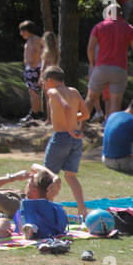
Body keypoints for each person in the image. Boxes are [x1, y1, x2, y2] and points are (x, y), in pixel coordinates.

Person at [86, 3, 133, 118]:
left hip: (101, 67)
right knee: (115, 103)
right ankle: (111, 131)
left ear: (109, 13)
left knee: (90, 98)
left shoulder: (99, 26)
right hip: (120, 69)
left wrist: (93, 64)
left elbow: (90, 48)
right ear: (122, 14)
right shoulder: (129, 28)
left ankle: (79, 128)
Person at [41, 66, 89, 218]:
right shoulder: (74, 91)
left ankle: (45, 209)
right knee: (71, 176)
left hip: (61, 137)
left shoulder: (53, 91)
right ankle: (82, 209)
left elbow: (66, 108)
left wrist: (68, 128)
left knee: (46, 175)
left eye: (44, 82)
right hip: (76, 141)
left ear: (50, 80)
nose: (44, 85)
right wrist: (74, 124)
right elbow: (86, 114)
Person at [0, 166, 67, 240]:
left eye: (28, 182)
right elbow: (34, 166)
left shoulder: (14, 204)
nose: (26, 183)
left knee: (4, 220)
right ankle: (31, 228)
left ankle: (30, 228)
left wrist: (13, 177)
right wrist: (55, 177)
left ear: (33, 190)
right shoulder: (46, 199)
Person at [19, 21, 45, 122]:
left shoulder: (35, 40)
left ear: (26, 31)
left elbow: (37, 52)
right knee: (34, 92)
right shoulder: (33, 40)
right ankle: (37, 112)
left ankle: (35, 113)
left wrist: (34, 65)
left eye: (22, 31)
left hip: (34, 68)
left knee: (33, 92)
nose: (21, 34)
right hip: (31, 68)